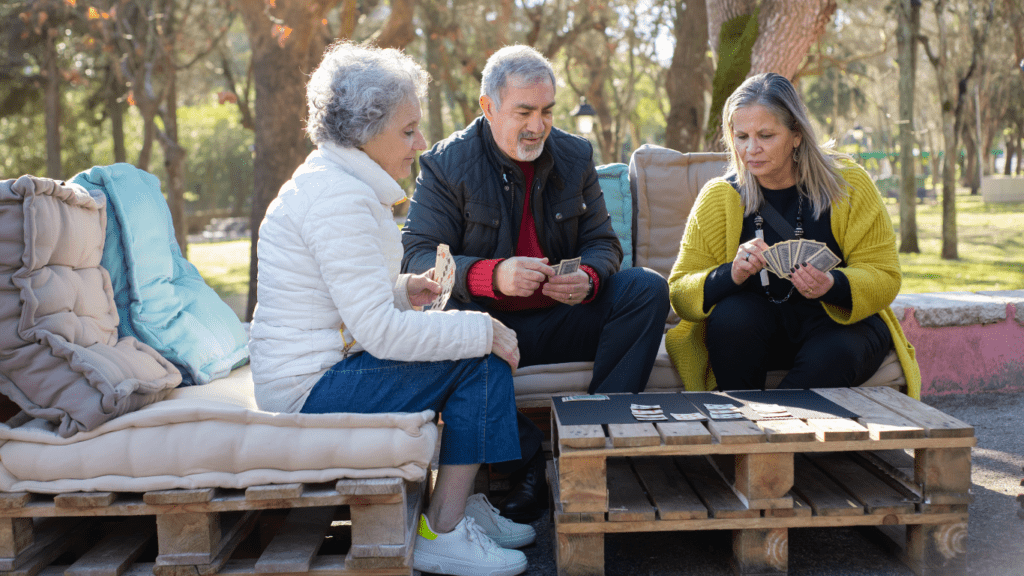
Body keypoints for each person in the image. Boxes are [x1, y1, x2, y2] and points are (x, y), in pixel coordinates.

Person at [248, 42, 534, 576]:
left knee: (476, 347)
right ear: (363, 131)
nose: (420, 143)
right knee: (481, 356)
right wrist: (479, 328)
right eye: (407, 131)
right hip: (310, 388)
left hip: (324, 366)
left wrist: (405, 289)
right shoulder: (337, 199)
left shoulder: (336, 184)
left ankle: (461, 504)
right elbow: (380, 335)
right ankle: (444, 530)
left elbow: (337, 295)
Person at [401, 45, 670, 522]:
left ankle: (596, 442)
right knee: (457, 340)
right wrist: (492, 275)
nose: (537, 125)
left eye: (546, 111)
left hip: (562, 316)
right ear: (488, 107)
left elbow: (604, 244)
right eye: (524, 111)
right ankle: (527, 468)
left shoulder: (574, 154)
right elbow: (419, 255)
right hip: (489, 328)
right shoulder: (445, 164)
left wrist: (587, 277)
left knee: (645, 288)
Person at [665, 72, 921, 397]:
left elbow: (885, 275)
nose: (751, 149)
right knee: (732, 321)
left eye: (766, 135)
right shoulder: (720, 196)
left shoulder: (849, 184)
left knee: (836, 352)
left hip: (835, 323)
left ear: (796, 134)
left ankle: (768, 435)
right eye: (741, 136)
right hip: (754, 330)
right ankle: (744, 427)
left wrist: (834, 284)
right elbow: (680, 293)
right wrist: (729, 274)